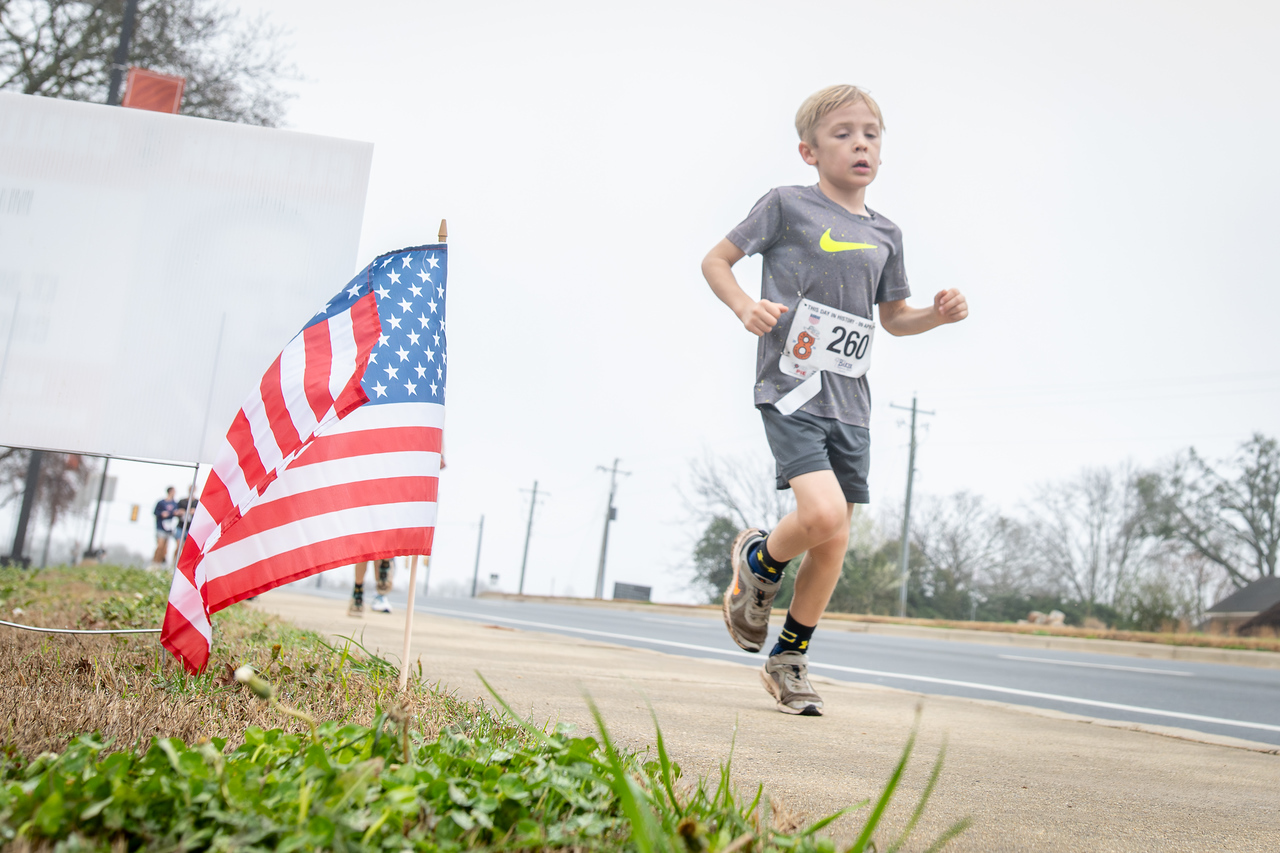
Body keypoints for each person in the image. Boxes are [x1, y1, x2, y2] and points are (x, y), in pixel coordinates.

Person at [701, 85, 968, 715]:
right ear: (809, 150)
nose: (861, 143)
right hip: (792, 387)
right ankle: (758, 561)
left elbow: (895, 318)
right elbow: (716, 261)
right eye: (844, 133)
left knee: (835, 538)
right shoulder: (787, 205)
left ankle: (789, 658)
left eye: (871, 133)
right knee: (820, 515)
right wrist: (746, 306)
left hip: (852, 399)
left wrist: (936, 314)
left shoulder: (886, 233)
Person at [152, 487, 177, 565]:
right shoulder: (161, 502)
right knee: (160, 546)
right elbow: (155, 512)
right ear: (170, 492)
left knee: (164, 549)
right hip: (160, 527)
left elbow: (176, 513)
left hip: (168, 528)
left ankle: (160, 564)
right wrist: (161, 514)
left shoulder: (175, 504)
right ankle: (154, 563)